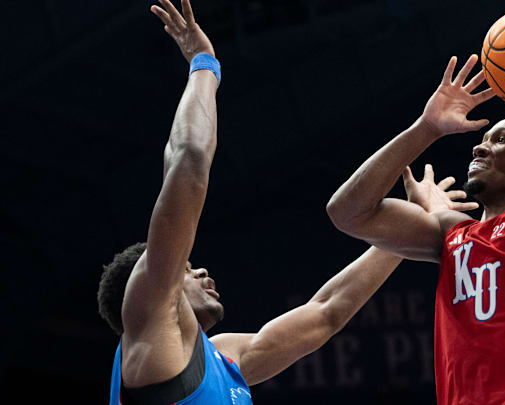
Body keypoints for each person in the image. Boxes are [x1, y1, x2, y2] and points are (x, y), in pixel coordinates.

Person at [97, 1, 475, 403]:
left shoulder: (225, 355)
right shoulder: (151, 327)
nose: (201, 269)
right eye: (187, 269)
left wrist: (416, 221)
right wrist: (204, 63)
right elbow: (189, 159)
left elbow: (327, 311)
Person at [327, 10, 505, 405]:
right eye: (484, 137)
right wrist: (427, 128)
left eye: (502, 138)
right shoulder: (452, 235)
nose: (480, 145)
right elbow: (346, 212)